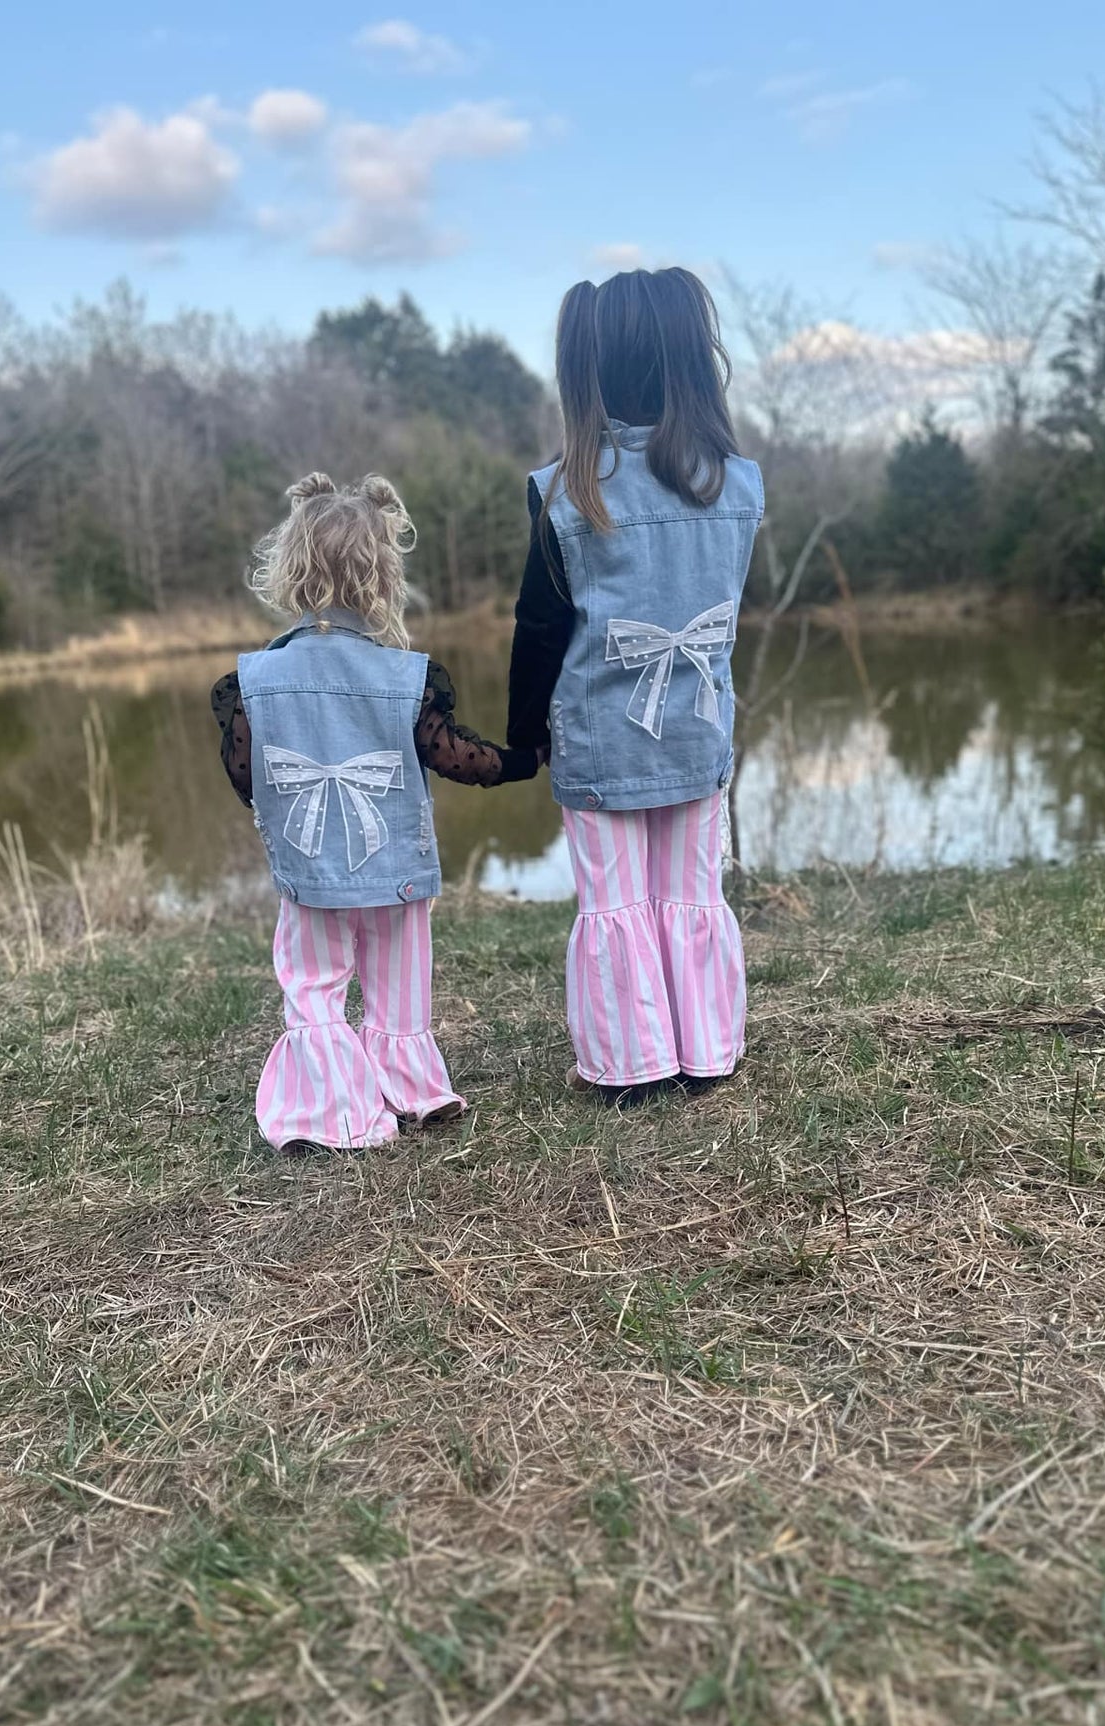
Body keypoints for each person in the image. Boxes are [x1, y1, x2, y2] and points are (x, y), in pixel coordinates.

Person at [214, 472, 540, 1154]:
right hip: (395, 869)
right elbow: (453, 755)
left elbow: (246, 772)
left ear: (290, 570)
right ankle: (414, 1092)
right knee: (398, 988)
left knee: (312, 987)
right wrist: (518, 759)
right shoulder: (404, 675)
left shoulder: (256, 678)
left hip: (309, 874)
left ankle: (335, 1110)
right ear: (383, 575)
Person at [506, 268, 763, 1095]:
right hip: (697, 726)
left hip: (601, 738)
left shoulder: (566, 492)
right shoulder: (735, 485)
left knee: (614, 900)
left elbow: (540, 628)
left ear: (584, 368)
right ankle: (705, 1050)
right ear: (693, 355)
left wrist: (524, 731)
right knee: (691, 889)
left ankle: (631, 1062)